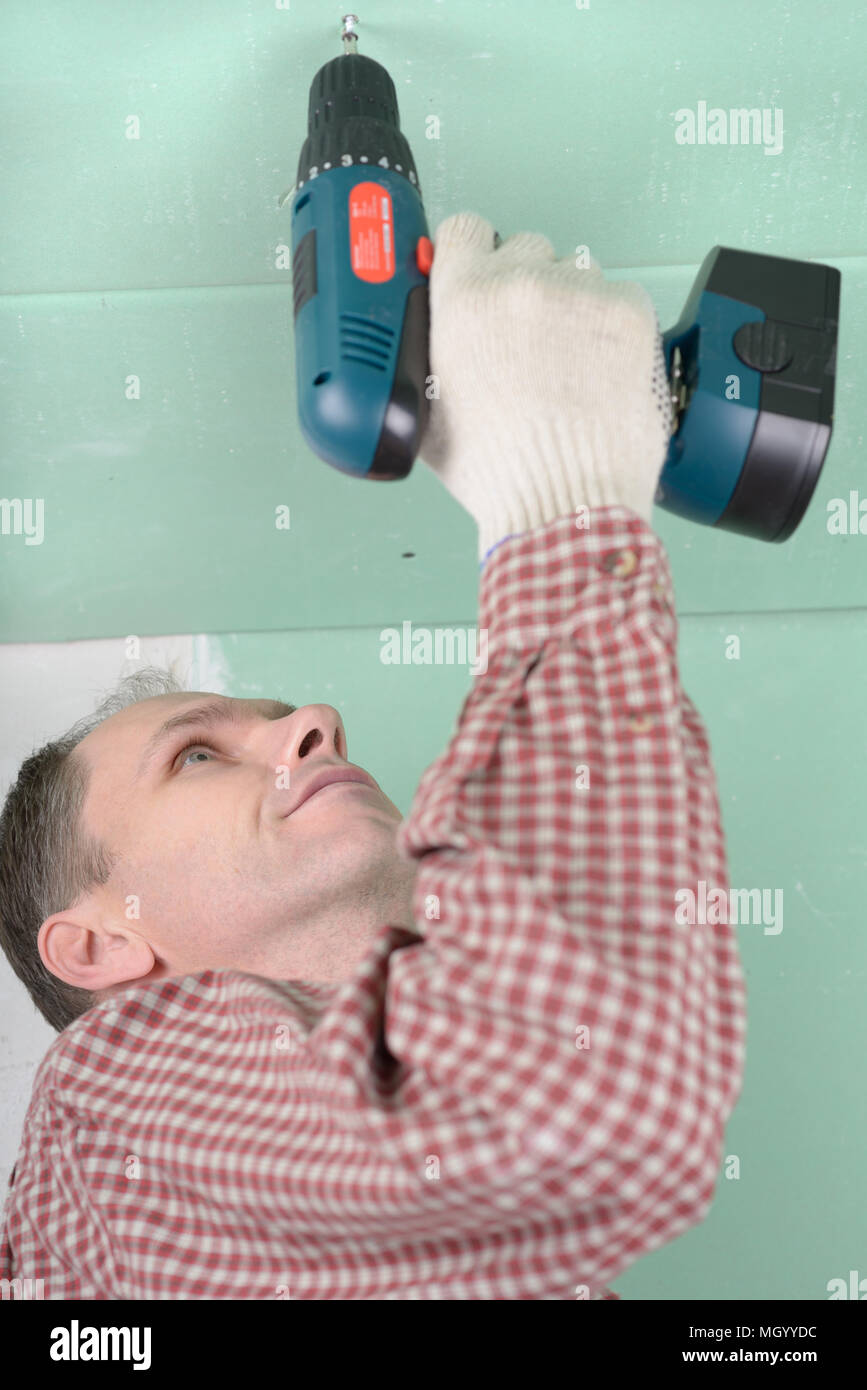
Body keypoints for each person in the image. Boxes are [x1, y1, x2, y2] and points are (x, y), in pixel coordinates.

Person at [0, 212, 746, 1300]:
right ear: (99, 948)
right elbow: (600, 1102)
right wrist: (559, 506)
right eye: (198, 757)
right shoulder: (104, 1110)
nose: (316, 721)